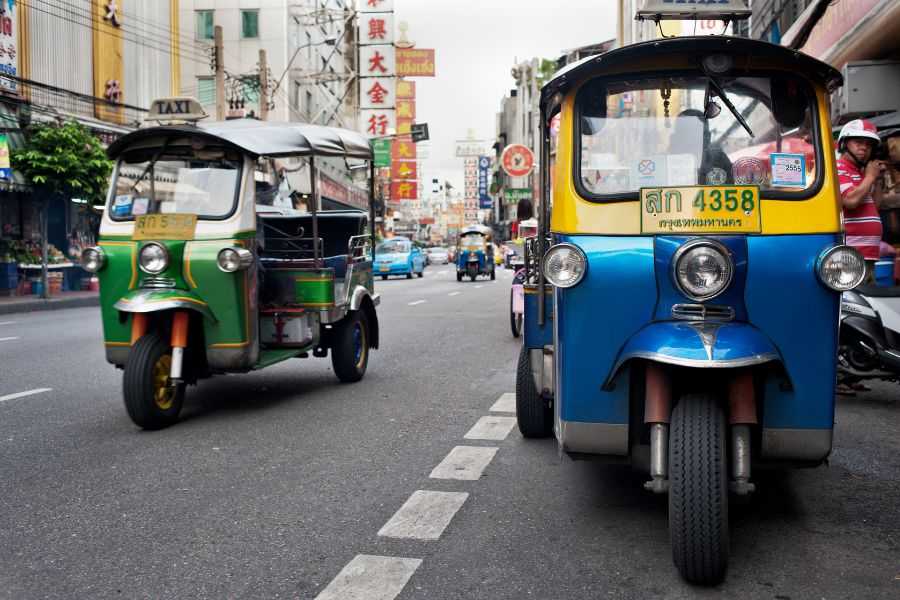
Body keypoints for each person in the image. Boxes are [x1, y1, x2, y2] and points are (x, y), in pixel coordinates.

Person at [836, 119, 885, 282]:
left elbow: (875, 206)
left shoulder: (862, 173)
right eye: (858, 142)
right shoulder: (838, 168)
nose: (864, 148)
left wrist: (877, 180)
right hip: (850, 256)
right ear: (844, 144)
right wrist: (870, 177)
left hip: (867, 255)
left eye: (868, 145)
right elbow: (850, 201)